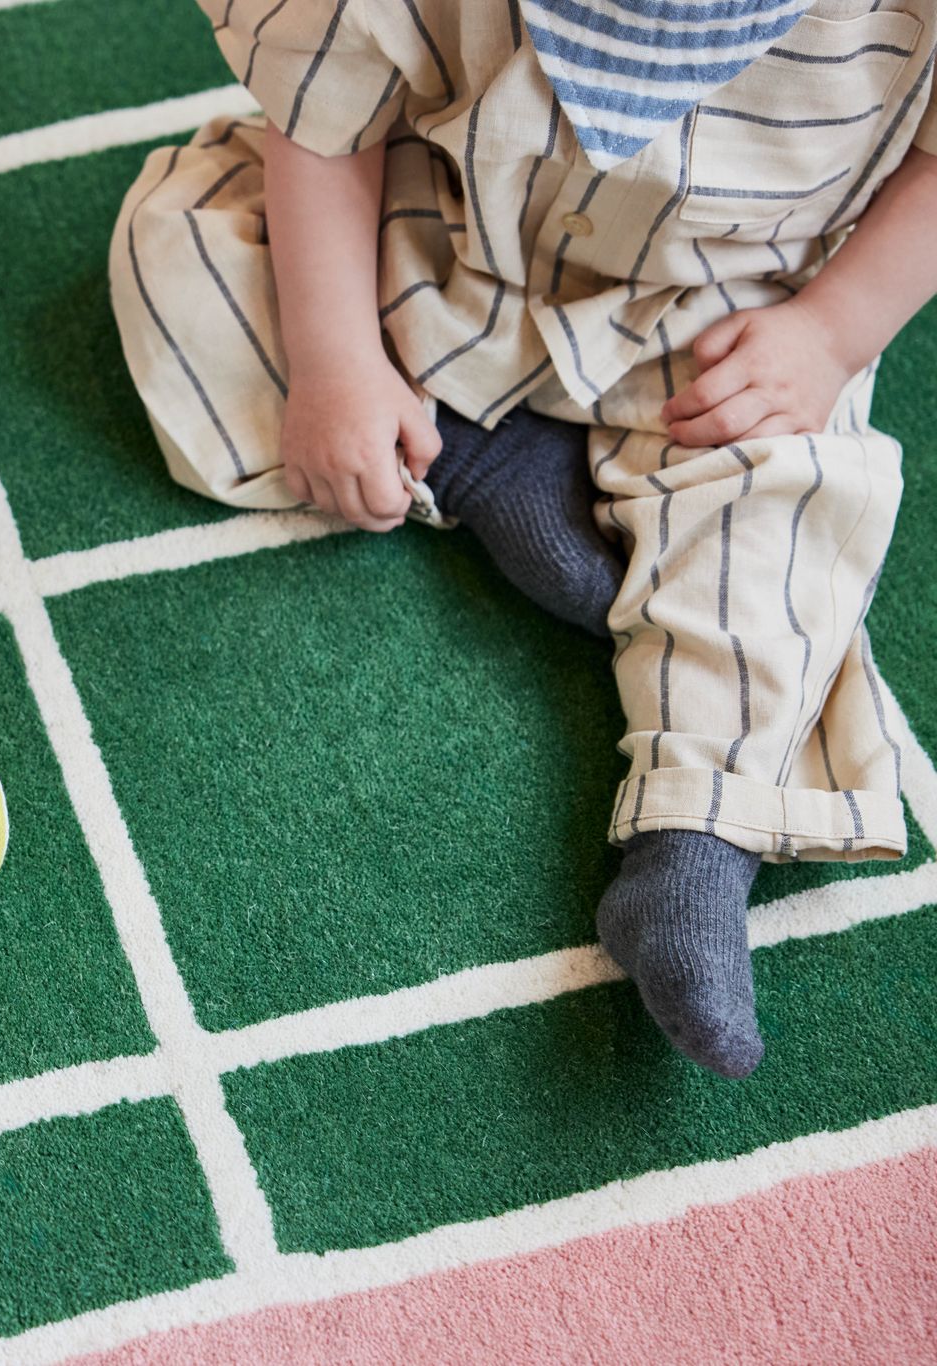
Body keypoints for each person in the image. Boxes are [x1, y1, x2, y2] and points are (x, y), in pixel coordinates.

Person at [111, 0, 937, 1076]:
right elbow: (324, 120)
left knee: (791, 508)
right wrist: (333, 360)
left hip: (732, 315)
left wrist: (829, 331)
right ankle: (474, 457)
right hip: (444, 238)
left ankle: (694, 846)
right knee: (176, 242)